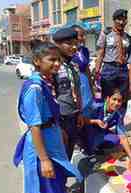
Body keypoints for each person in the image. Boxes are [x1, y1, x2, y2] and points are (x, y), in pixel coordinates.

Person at [13, 41, 83, 193]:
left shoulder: (45, 83)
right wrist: (44, 160)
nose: (57, 64)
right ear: (37, 61)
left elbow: (47, 116)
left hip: (51, 144)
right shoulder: (35, 88)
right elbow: (35, 125)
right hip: (42, 152)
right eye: (52, 60)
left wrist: (58, 130)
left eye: (58, 60)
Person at [82, 89, 131, 167]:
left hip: (99, 131)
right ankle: (86, 151)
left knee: (115, 140)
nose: (116, 103)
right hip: (85, 129)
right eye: (114, 99)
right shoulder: (96, 105)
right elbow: (81, 120)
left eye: (119, 101)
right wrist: (96, 121)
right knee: (92, 137)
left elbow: (122, 137)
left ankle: (96, 147)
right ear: (108, 98)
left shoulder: (118, 115)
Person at [52, 27, 84, 160]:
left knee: (69, 150)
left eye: (76, 44)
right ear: (58, 45)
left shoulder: (74, 66)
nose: (74, 47)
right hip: (60, 118)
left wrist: (80, 113)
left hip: (73, 115)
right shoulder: (54, 67)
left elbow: (77, 90)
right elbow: (50, 96)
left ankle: (63, 179)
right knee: (60, 154)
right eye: (69, 44)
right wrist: (55, 124)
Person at [95, 9, 131, 108]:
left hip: (123, 70)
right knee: (107, 99)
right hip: (109, 69)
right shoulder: (106, 33)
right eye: (119, 19)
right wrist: (96, 71)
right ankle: (106, 121)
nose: (121, 22)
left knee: (122, 99)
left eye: (124, 19)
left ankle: (120, 122)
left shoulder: (128, 37)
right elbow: (100, 54)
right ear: (114, 20)